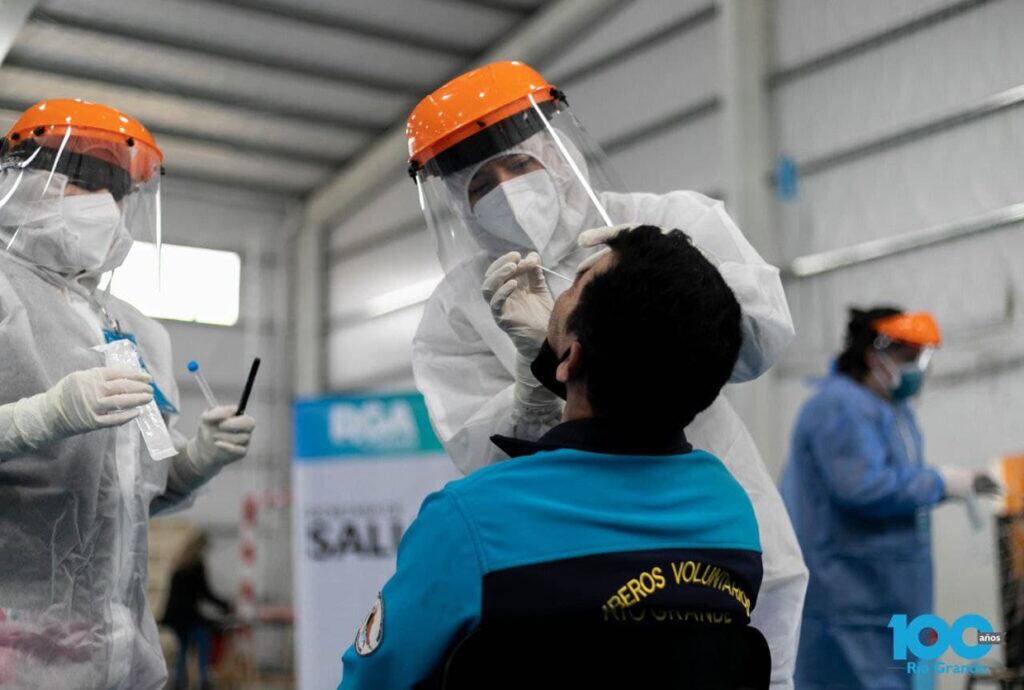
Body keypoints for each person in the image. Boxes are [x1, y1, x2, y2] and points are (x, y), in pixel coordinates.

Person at [406, 60, 806, 686]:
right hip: (574, 555)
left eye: (521, 165)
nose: (509, 189)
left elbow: (761, 339)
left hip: (726, 529)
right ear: (458, 200)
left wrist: (675, 279)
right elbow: (485, 458)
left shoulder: (673, 220)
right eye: (483, 182)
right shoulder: (462, 308)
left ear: (558, 153)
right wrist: (534, 386)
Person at [339, 225, 767, 689]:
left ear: (571, 358)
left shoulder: (470, 523)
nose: (559, 288)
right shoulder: (733, 518)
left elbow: (371, 681)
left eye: (577, 281)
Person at [0, 99, 256, 690]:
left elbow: (130, 498)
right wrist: (41, 417)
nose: (106, 206)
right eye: (82, 182)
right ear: (23, 182)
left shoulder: (135, 329)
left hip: (119, 659)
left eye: (118, 191)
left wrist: (193, 462)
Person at [780, 307, 999, 689]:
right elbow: (863, 488)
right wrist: (940, 482)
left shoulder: (892, 411)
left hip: (889, 597)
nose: (917, 370)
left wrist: (945, 483)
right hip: (850, 598)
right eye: (909, 359)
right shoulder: (837, 406)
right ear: (873, 356)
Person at [163, 531, 232, 690]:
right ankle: (203, 681)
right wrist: (225, 606)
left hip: (175, 617)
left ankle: (179, 683)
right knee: (203, 643)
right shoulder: (196, 566)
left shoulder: (179, 564)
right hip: (188, 617)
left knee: (183, 649)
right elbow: (205, 593)